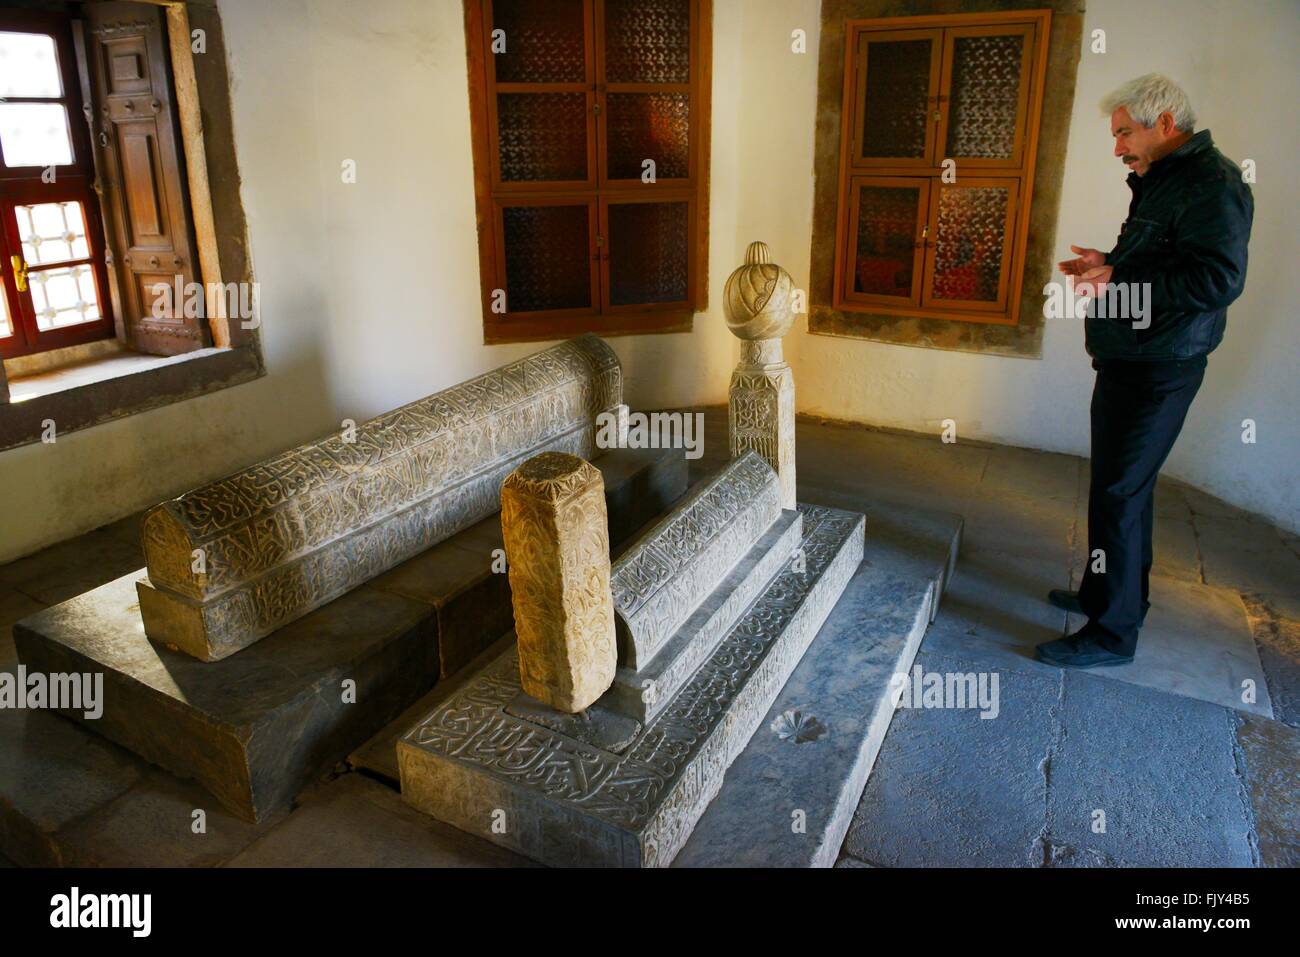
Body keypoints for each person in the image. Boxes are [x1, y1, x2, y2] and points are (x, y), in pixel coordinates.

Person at [1035, 73, 1253, 668]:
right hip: (1132, 355)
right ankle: (1105, 593)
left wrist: (1121, 279)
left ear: (1164, 124)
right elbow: (1167, 257)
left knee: (1120, 493)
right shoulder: (1165, 178)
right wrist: (1110, 262)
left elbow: (1217, 281)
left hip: (1162, 365)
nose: (1117, 148)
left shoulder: (1214, 183)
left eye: (1124, 133)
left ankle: (1112, 634)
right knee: (1119, 489)